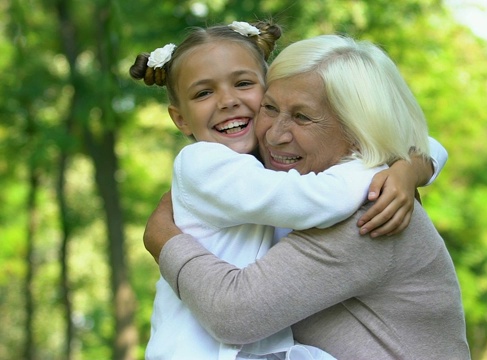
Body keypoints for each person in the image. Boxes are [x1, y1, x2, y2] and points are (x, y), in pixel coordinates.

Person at [131, 21, 448, 359]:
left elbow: (236, 312)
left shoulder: (373, 206)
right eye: (272, 109)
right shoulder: (209, 162)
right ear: (180, 118)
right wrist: (385, 165)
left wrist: (407, 167)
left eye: (302, 117)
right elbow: (308, 197)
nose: (275, 134)